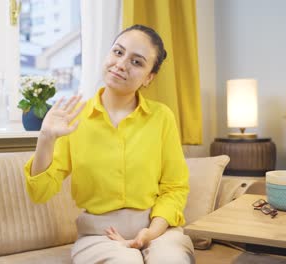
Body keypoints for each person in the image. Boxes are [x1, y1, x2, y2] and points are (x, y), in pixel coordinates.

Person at [24, 24, 194, 264]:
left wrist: (151, 232)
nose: (121, 64)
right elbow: (40, 193)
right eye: (118, 52)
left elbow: (175, 188)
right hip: (99, 235)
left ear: (149, 77)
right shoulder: (75, 118)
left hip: (158, 232)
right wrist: (46, 138)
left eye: (137, 62)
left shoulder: (161, 117)